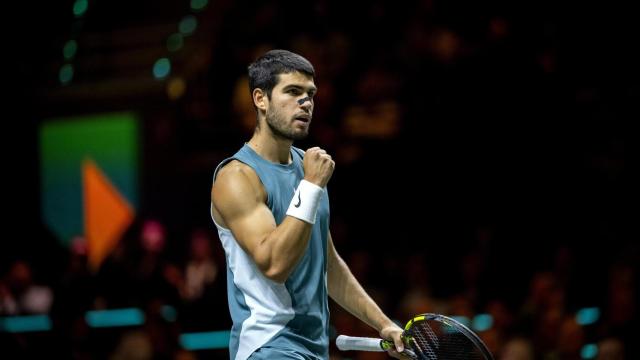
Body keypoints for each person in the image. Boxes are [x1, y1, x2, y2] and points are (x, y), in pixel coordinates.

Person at [210, 49, 406, 360]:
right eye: (292, 92)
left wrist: (384, 325)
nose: (306, 103)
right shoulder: (236, 177)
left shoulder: (308, 166)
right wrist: (312, 186)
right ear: (260, 99)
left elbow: (326, 264)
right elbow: (273, 263)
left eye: (310, 94)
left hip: (313, 350)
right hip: (267, 348)